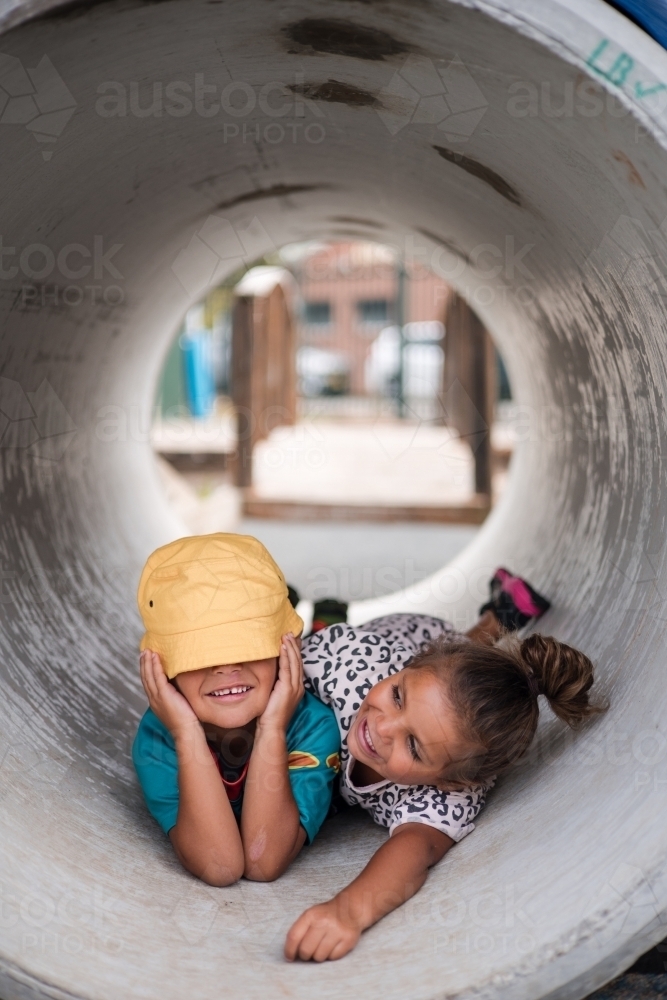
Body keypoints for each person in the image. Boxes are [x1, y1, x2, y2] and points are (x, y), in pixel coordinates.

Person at [285, 569, 607, 962]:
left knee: (454, 700)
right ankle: (494, 621)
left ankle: (500, 616)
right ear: (401, 673)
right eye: (397, 697)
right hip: (410, 639)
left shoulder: (450, 793)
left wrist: (349, 911)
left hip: (439, 681)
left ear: (453, 781)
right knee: (457, 654)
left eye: (414, 747)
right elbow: (273, 671)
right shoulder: (351, 663)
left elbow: (413, 851)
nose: (382, 726)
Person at [132, 533, 340, 886]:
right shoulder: (158, 738)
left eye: (248, 646)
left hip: (336, 653)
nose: (226, 667)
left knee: (329, 638)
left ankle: (324, 621)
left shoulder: (313, 724)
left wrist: (273, 727)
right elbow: (221, 866)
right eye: (202, 654)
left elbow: (263, 862)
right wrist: (185, 733)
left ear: (284, 650)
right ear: (162, 668)